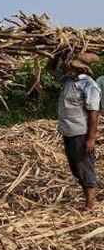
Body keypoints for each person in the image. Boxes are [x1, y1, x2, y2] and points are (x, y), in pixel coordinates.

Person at [47, 53, 101, 210]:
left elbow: (93, 112)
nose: (67, 67)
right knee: (76, 168)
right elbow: (50, 68)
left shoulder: (89, 85)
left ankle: (90, 205)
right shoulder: (68, 80)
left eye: (71, 66)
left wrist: (91, 139)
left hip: (81, 133)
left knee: (84, 166)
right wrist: (56, 52)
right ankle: (88, 201)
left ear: (80, 68)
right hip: (68, 132)